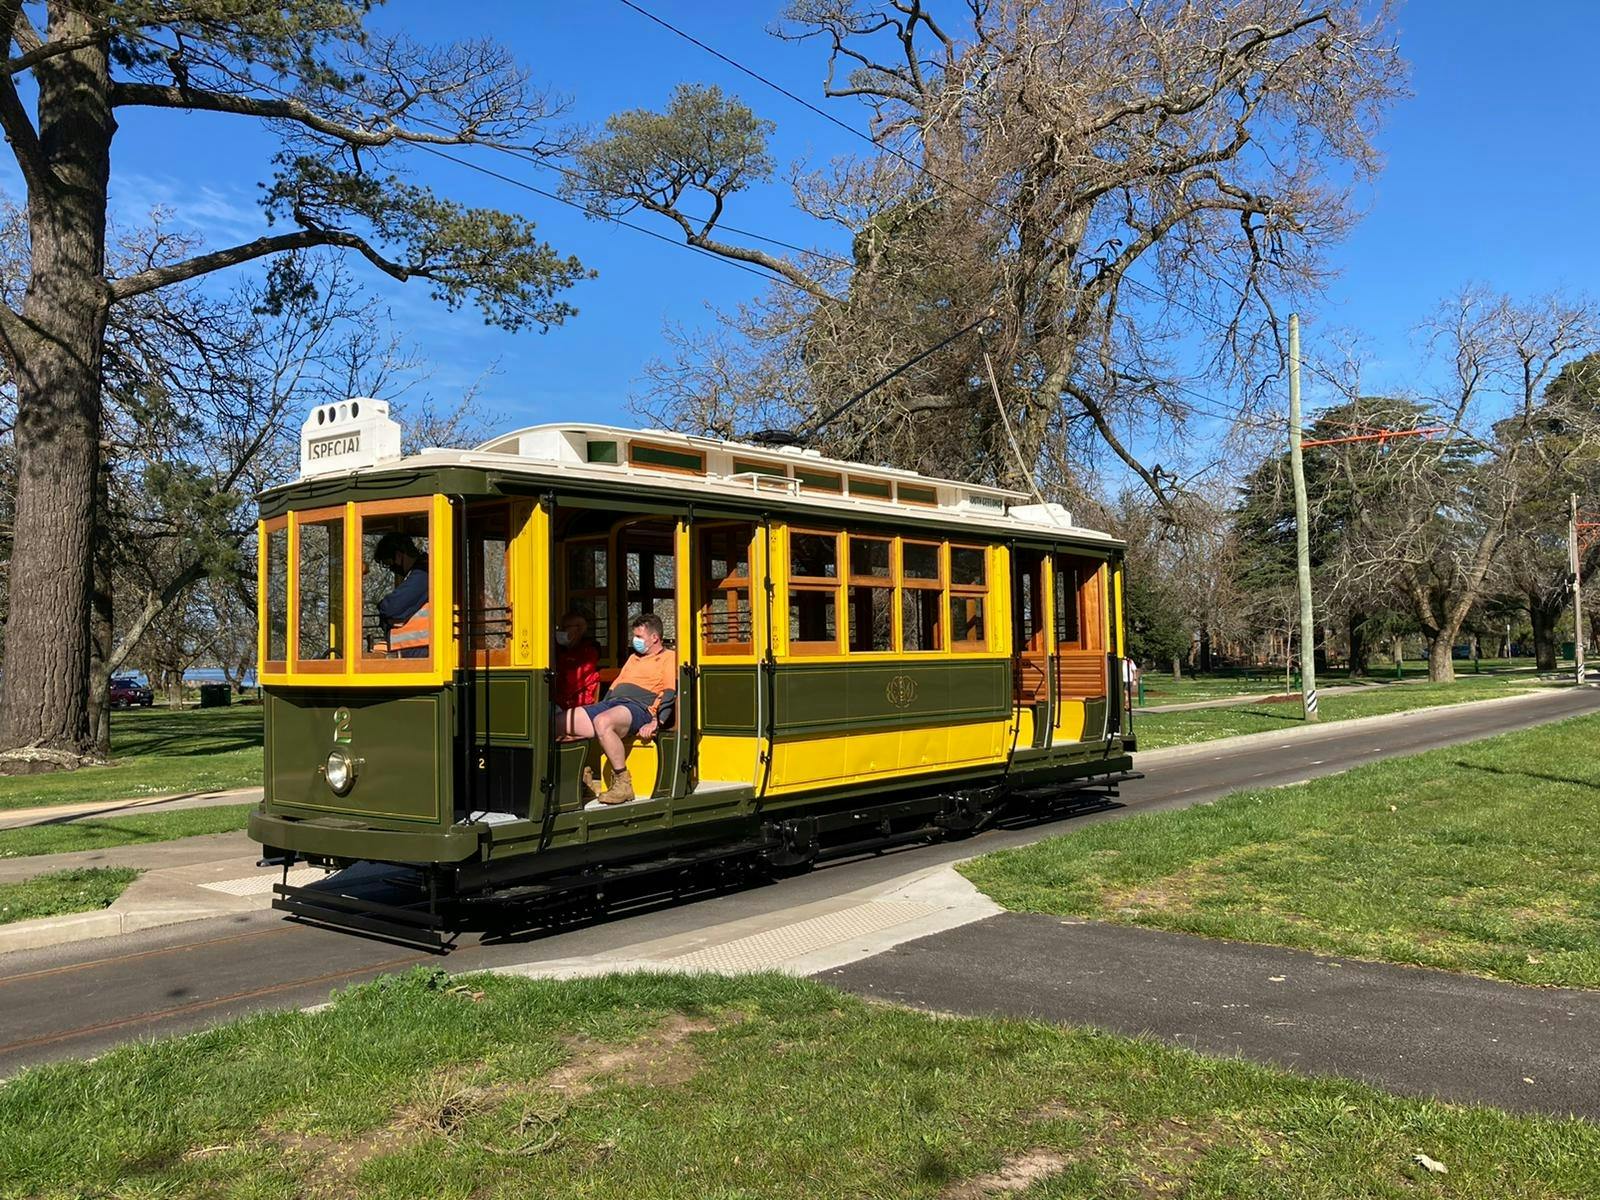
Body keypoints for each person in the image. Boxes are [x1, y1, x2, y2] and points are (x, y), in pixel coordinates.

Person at [555, 612, 676, 807]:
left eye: (639, 637)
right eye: (634, 636)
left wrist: (656, 721)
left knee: (603, 722)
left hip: (638, 708)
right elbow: (614, 688)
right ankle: (578, 777)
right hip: (613, 704)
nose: (635, 640)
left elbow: (670, 692)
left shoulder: (669, 657)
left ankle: (623, 784)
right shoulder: (634, 658)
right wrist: (601, 706)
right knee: (560, 721)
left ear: (654, 638)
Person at [372, 532, 429, 658]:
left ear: (398, 555)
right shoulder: (418, 573)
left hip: (422, 653)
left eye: (389, 562)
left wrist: (383, 609)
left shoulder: (424, 573)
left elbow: (392, 608)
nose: (392, 569)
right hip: (417, 650)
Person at [554, 608, 601, 711]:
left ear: (578, 629)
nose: (561, 631)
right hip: (560, 702)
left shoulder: (589, 652)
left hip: (578, 704)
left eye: (564, 627)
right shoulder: (560, 650)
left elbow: (572, 681)